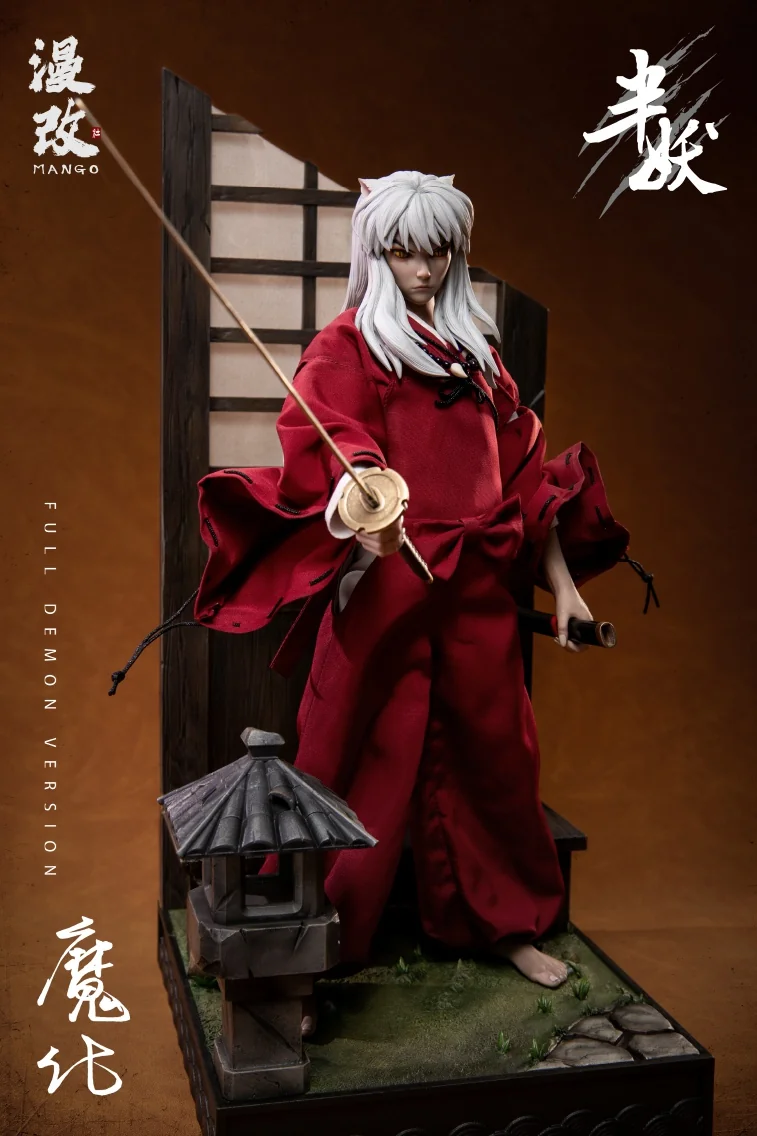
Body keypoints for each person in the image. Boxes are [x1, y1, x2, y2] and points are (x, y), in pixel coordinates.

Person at [194, 172, 630, 1032]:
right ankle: (307, 957)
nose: (422, 270)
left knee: (494, 752)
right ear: (375, 252)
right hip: (387, 584)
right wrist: (367, 500)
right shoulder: (348, 347)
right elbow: (335, 440)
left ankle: (504, 922)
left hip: (478, 588)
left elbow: (527, 488)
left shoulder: (481, 362)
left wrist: (564, 590)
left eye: (437, 252)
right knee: (356, 760)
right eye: (402, 251)